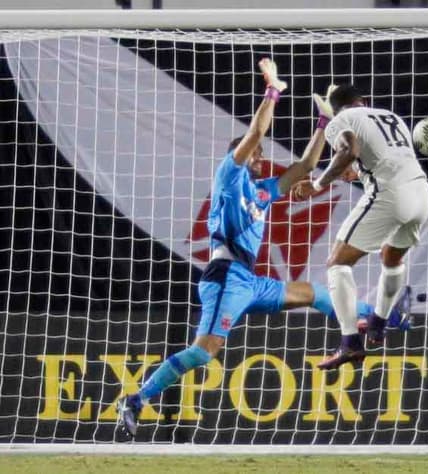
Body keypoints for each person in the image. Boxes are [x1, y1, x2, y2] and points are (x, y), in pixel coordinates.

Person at [116, 60, 411, 437]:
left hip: (249, 280)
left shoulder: (262, 190)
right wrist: (272, 90)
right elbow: (256, 132)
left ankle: (382, 316)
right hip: (223, 279)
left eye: (256, 155)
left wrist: (323, 124)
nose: (258, 156)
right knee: (204, 352)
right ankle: (137, 400)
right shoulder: (228, 176)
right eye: (252, 154)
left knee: (313, 293)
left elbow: (305, 164)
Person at [294, 84, 428, 370]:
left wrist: (317, 185)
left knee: (337, 263)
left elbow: (349, 149)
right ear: (364, 101)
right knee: (392, 258)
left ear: (337, 109)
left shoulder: (341, 121)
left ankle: (350, 344)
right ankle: (378, 324)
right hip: (421, 194)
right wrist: (354, 171)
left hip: (390, 195)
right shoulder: (390, 116)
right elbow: (383, 157)